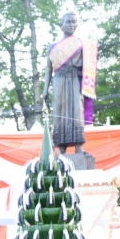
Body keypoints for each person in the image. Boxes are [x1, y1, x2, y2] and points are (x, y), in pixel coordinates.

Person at [42, 12, 98, 154]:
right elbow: (48, 69)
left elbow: (88, 64)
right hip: (59, 81)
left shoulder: (82, 44)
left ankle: (78, 146)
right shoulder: (52, 47)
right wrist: (45, 89)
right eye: (68, 22)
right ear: (61, 25)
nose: (72, 25)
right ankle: (62, 148)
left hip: (75, 80)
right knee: (59, 112)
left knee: (76, 110)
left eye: (74, 22)